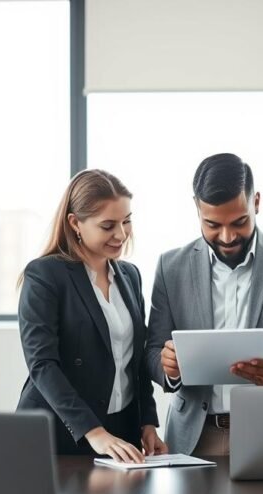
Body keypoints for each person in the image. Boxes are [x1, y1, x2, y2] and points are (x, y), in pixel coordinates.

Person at [146, 153, 263, 456]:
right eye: (213, 224)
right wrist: (169, 368)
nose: (227, 236)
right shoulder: (170, 267)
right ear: (196, 208)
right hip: (193, 437)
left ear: (256, 202)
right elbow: (151, 351)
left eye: (239, 222)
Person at [16, 169, 166, 463]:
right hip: (58, 432)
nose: (121, 234)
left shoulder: (130, 276)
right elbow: (42, 365)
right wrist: (93, 431)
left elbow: (135, 362)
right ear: (76, 223)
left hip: (120, 433)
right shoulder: (45, 275)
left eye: (127, 221)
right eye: (108, 225)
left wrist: (148, 422)